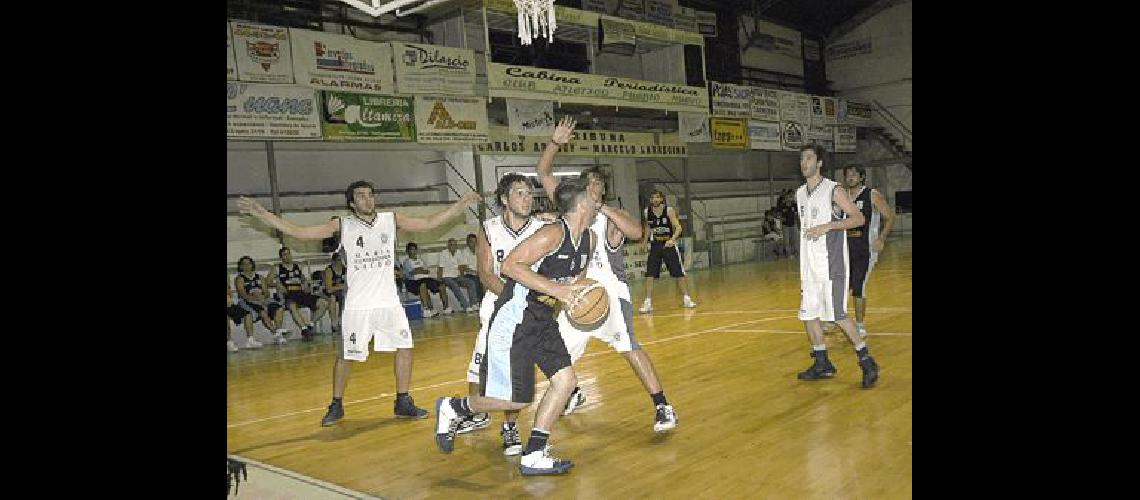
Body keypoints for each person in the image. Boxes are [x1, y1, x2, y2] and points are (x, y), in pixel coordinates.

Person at [237, 184, 480, 425]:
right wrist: (262, 213)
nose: (367, 199)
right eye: (360, 196)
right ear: (352, 204)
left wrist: (459, 205)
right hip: (358, 304)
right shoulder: (342, 225)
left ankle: (403, 401)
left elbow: (428, 223)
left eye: (370, 195)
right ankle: (336, 403)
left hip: (388, 302)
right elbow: (300, 232)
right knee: (346, 356)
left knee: (405, 348)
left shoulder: (390, 219)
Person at [434, 177, 597, 476]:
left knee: (565, 381)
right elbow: (508, 266)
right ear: (583, 204)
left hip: (543, 318)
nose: (598, 202)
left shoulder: (589, 238)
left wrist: (583, 296)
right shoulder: (550, 234)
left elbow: (575, 279)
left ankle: (534, 453)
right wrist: (557, 290)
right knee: (518, 399)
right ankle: (455, 407)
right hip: (516, 317)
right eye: (593, 197)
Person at [535, 117, 679, 433]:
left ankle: (663, 406)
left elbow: (638, 232)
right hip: (576, 295)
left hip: (609, 293)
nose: (597, 188)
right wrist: (555, 142)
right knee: (552, 352)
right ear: (582, 190)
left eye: (601, 186)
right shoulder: (570, 210)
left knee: (629, 347)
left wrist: (603, 208)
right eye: (592, 185)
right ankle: (572, 392)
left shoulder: (607, 219)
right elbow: (543, 173)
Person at [453, 172, 551, 456]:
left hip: (530, 311)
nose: (527, 197)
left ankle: (509, 426)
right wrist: (511, 299)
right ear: (505, 199)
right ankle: (476, 411)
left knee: (515, 372)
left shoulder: (543, 228)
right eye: (520, 192)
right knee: (477, 368)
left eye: (530, 192)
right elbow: (485, 273)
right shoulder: (489, 228)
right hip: (496, 306)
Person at [793, 145, 880, 388]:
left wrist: (829, 226)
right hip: (808, 267)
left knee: (837, 315)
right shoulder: (800, 193)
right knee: (808, 314)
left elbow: (859, 219)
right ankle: (822, 362)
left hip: (831, 267)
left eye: (808, 158)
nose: (804, 162)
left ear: (819, 163)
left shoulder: (834, 190)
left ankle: (866, 360)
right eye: (801, 158)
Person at [842, 164, 895, 339]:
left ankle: (859, 325)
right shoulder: (842, 197)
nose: (850, 177)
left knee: (858, 285)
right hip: (846, 247)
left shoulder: (872, 195)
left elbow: (890, 217)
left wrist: (881, 238)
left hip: (866, 248)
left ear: (862, 177)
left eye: (854, 174)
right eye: (848, 174)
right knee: (841, 284)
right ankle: (836, 318)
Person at [638, 190, 697, 312]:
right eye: (653, 197)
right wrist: (644, 241)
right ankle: (648, 302)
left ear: (661, 199)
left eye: (657, 197)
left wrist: (672, 239)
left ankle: (687, 298)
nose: (655, 199)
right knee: (650, 274)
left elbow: (678, 227)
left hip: (668, 245)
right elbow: (648, 227)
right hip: (655, 245)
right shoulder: (646, 212)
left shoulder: (669, 211)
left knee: (678, 273)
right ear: (650, 200)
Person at [268, 247, 330, 341]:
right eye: (285, 254)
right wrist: (277, 285)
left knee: (324, 303)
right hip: (288, 294)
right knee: (292, 306)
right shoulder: (277, 268)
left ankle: (310, 325)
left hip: (300, 293)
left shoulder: (297, 266)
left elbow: (303, 279)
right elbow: (267, 281)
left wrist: (305, 284)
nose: (288, 256)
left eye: (289, 254)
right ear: (281, 257)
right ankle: (304, 329)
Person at [232, 255, 280, 347]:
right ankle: (274, 333)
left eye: (249, 263)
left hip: (262, 300)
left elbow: (266, 292)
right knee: (261, 312)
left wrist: (263, 298)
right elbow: (243, 294)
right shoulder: (240, 278)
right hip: (248, 301)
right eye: (244, 264)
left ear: (252, 265)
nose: (247, 266)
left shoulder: (260, 277)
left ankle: (278, 331)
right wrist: (255, 299)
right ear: (240, 266)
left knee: (279, 307)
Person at [401, 242, 446, 317]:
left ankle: (446, 308)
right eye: (411, 250)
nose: (413, 252)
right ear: (408, 251)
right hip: (413, 281)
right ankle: (426, 309)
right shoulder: (406, 262)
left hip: (425, 278)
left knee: (441, 285)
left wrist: (419, 270)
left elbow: (427, 271)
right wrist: (419, 270)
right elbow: (411, 273)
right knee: (423, 286)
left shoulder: (421, 260)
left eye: (415, 250)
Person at [436, 238, 479, 313]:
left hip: (457, 276)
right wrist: (439, 280)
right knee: (454, 285)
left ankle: (474, 304)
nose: (453, 246)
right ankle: (466, 306)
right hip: (446, 277)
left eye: (455, 245)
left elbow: (462, 266)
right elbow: (440, 268)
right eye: (452, 245)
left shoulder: (458, 252)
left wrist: (462, 276)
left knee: (470, 282)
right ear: (448, 245)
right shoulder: (443, 253)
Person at [322, 252, 347, 334]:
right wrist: (341, 286)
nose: (340, 262)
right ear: (333, 261)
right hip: (328, 292)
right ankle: (334, 323)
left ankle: (341, 320)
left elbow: (349, 284)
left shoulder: (345, 269)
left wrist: (341, 287)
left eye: (341, 260)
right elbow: (329, 289)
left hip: (339, 291)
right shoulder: (329, 270)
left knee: (345, 297)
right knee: (332, 298)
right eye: (338, 260)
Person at [458, 233, 484, 303]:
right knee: (476, 280)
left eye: (475, 242)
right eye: (471, 242)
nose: (474, 244)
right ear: (467, 242)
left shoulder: (479, 251)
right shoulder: (464, 252)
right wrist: (476, 273)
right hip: (469, 274)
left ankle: (485, 302)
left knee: (486, 280)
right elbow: (464, 268)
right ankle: (479, 302)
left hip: (479, 273)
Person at [779, 189, 799, 259]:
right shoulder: (782, 206)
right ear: (785, 198)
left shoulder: (794, 205)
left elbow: (797, 214)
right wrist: (782, 220)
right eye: (786, 198)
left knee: (795, 239)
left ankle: (796, 252)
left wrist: (796, 222)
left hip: (793, 225)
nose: (788, 199)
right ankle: (788, 254)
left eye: (789, 197)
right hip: (785, 226)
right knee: (786, 241)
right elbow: (780, 216)